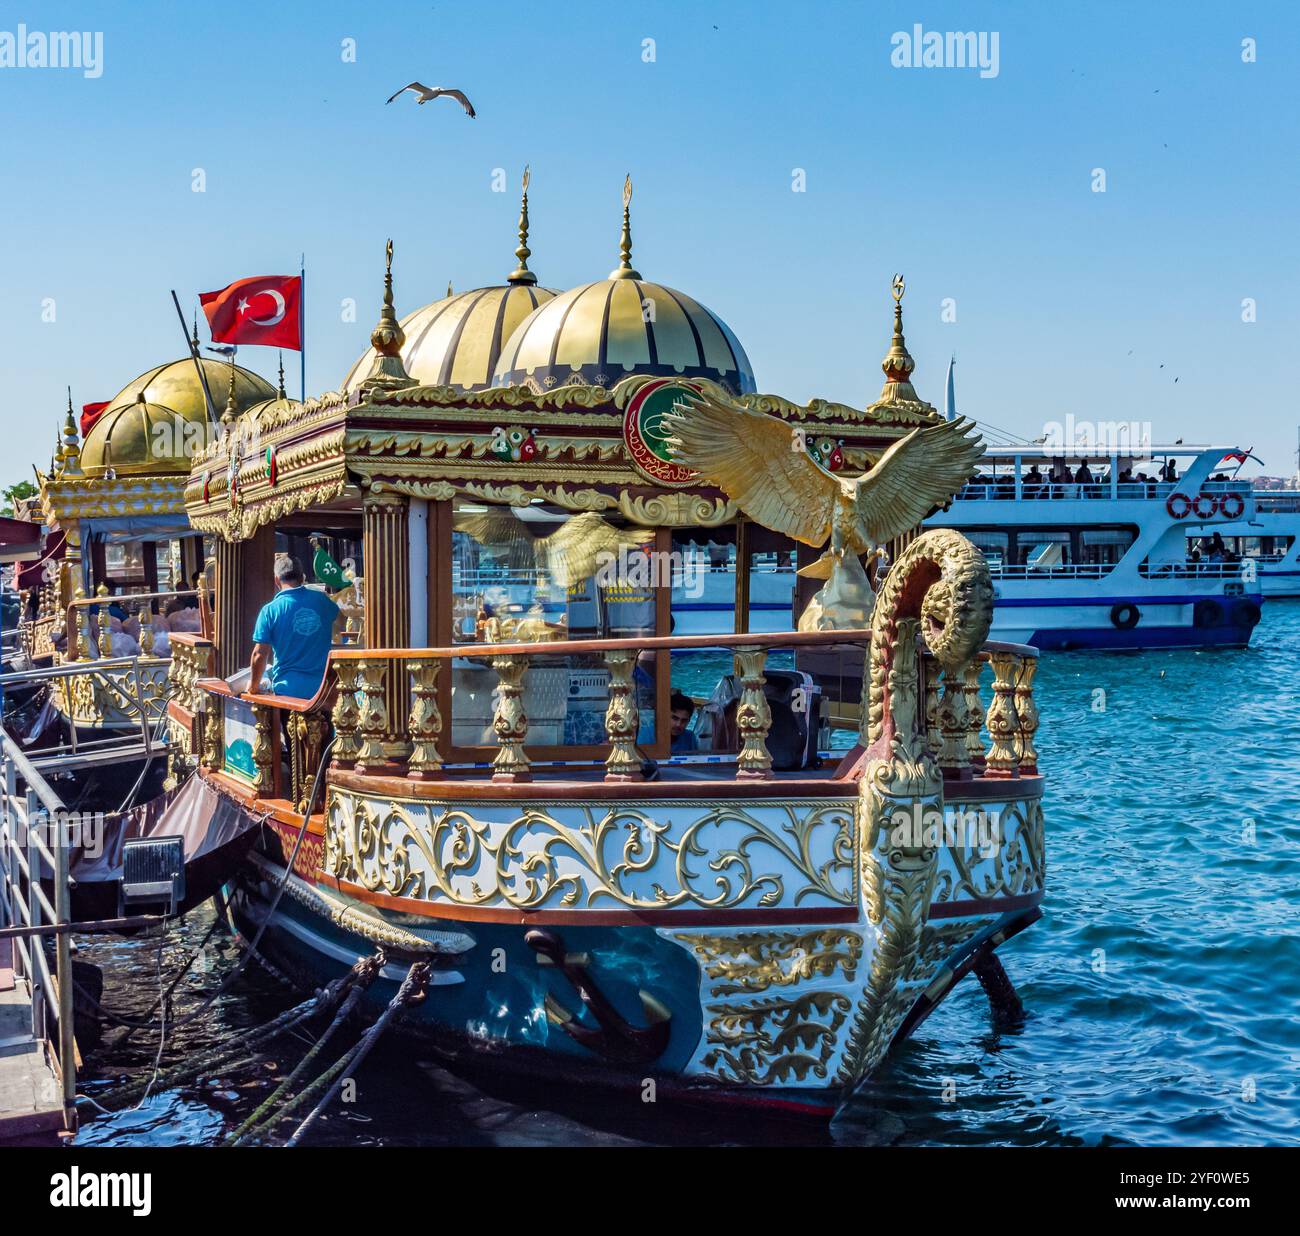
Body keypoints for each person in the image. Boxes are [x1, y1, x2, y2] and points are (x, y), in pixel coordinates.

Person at [247, 555, 340, 700]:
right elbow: (340, 621)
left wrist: (253, 687)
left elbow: (259, 655)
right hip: (324, 691)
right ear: (302, 578)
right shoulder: (322, 601)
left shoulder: (269, 611)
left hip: (288, 692)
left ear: (276, 580)